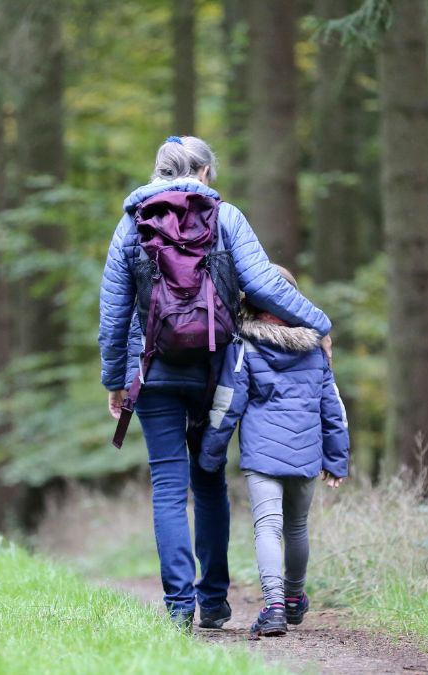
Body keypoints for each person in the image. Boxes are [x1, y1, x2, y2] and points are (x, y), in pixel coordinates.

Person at [98, 135, 333, 630]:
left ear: (158, 171)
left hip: (153, 369)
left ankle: (179, 607)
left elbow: (114, 313)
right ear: (204, 172)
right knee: (208, 480)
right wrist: (319, 323)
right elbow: (265, 285)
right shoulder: (226, 217)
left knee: (167, 486)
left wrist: (115, 379)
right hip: (215, 370)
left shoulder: (131, 224)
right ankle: (214, 601)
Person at [199, 265, 349, 637]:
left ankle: (275, 606)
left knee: (267, 527)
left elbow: (228, 402)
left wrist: (210, 453)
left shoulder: (244, 345)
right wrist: (336, 458)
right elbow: (332, 407)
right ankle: (295, 598)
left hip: (263, 455)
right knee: (296, 527)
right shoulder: (315, 347)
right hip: (307, 452)